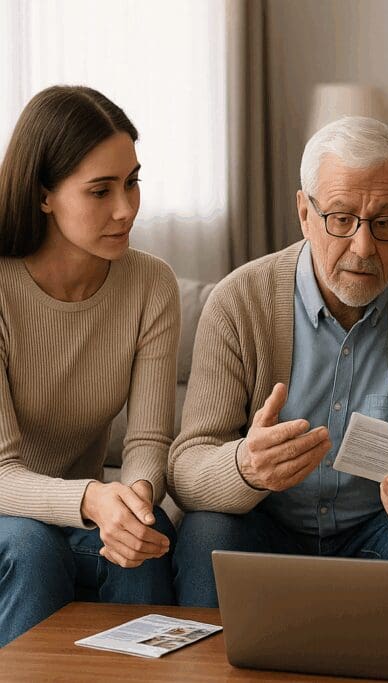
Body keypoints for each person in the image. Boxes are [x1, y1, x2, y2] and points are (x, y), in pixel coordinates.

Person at [169, 116, 388, 617]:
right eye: (340, 218)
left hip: (382, 530)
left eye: (384, 222)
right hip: (263, 525)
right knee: (207, 532)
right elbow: (185, 467)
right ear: (304, 213)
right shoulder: (236, 302)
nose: (363, 247)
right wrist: (245, 466)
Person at [0, 86, 179, 646]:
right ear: (43, 195)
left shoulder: (151, 284)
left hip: (82, 506)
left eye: (132, 182)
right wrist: (91, 500)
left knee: (146, 542)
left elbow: (148, 439)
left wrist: (136, 500)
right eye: (100, 190)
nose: (125, 208)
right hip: (14, 510)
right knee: (31, 550)